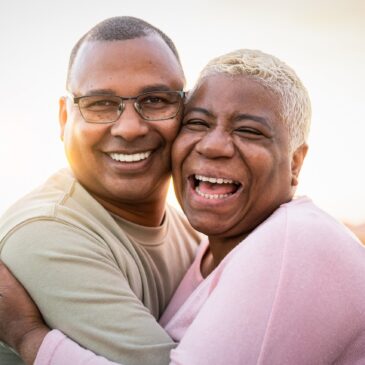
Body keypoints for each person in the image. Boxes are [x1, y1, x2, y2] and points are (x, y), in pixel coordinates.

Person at [2, 49, 365, 364]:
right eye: (197, 123)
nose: (213, 146)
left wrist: (29, 335)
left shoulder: (296, 241)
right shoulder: (208, 251)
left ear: (295, 164)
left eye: (250, 131)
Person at [0, 16, 202, 365]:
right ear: (65, 119)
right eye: (100, 104)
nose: (129, 128)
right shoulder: (47, 234)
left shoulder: (188, 229)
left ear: (186, 110)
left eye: (155, 100)